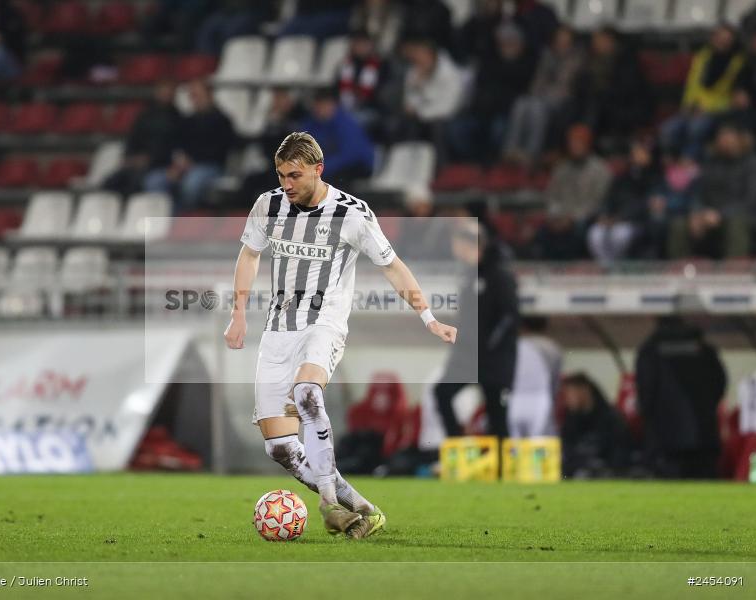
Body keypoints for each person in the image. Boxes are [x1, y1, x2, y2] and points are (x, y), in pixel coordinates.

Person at [225, 132, 457, 537]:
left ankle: (330, 504)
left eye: (294, 175)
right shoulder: (269, 205)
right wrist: (238, 313)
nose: (286, 184)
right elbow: (249, 254)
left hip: (324, 323)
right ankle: (363, 507)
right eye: (280, 175)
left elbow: (392, 266)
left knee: (308, 394)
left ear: (318, 169)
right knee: (279, 447)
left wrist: (428, 317)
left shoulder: (352, 214)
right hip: (278, 330)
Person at [434, 221, 518, 439]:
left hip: (494, 361)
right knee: (442, 393)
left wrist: (488, 346)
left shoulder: (499, 274)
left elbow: (509, 316)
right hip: (468, 357)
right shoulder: (468, 275)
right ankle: (458, 443)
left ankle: (500, 468)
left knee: (496, 415)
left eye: (460, 244)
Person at [636, 316, 727, 479]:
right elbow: (719, 383)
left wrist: (648, 417)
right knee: (704, 483)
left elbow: (646, 389)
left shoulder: (650, 351)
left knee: (668, 487)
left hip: (665, 434)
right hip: (703, 432)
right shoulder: (704, 349)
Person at [667, 122, 756, 259]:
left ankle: (735, 273)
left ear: (740, 138)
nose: (724, 139)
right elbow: (698, 192)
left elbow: (752, 200)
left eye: (728, 135)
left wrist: (720, 214)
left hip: (742, 217)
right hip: (709, 217)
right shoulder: (711, 163)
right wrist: (697, 213)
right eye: (721, 135)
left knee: (735, 224)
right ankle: (676, 273)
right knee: (679, 225)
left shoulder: (753, 164)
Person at [447, 21, 536, 163]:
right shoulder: (489, 61)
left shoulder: (527, 63)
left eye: (510, 41)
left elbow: (520, 94)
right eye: (503, 42)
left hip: (506, 112)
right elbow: (478, 89)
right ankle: (468, 162)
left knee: (498, 130)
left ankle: (493, 164)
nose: (506, 45)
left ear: (520, 43)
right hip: (480, 111)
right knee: (456, 129)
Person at [145, 78, 236, 210]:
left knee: (191, 184)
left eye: (198, 95)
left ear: (209, 95)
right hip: (185, 167)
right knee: (154, 181)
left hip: (210, 166)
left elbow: (220, 150)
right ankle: (168, 216)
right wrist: (178, 163)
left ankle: (184, 218)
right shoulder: (187, 121)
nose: (195, 99)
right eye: (192, 96)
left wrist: (191, 163)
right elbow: (177, 145)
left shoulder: (222, 120)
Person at [504, 24, 584, 167]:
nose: (561, 43)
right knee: (521, 103)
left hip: (563, 100)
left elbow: (564, 84)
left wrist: (542, 95)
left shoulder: (575, 58)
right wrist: (536, 94)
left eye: (565, 40)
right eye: (559, 39)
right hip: (541, 96)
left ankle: (530, 153)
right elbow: (538, 80)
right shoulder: (547, 55)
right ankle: (511, 150)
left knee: (537, 108)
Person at [660, 25, 745, 160]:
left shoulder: (738, 63)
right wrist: (688, 105)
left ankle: (688, 163)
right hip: (694, 107)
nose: (721, 41)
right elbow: (692, 84)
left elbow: (733, 97)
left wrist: (707, 109)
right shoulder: (703, 56)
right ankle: (670, 163)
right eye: (719, 37)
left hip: (718, 112)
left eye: (726, 39)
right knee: (668, 129)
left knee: (696, 128)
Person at [535, 124, 612, 260]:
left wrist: (572, 218)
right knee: (542, 232)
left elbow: (598, 202)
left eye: (579, 143)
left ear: (588, 144)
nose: (575, 146)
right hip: (561, 218)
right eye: (572, 143)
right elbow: (552, 198)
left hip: (585, 219)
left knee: (579, 230)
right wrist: (557, 217)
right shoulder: (561, 169)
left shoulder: (600, 170)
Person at [587, 136, 666, 265]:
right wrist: (604, 216)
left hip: (635, 222)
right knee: (595, 233)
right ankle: (607, 268)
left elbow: (646, 204)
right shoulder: (623, 177)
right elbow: (609, 200)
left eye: (641, 152)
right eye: (635, 152)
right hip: (614, 221)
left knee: (620, 234)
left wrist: (620, 218)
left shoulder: (655, 176)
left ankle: (617, 267)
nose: (638, 155)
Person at [102, 79, 184, 198]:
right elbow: (133, 139)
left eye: (169, 92)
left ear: (174, 94)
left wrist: (149, 159)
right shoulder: (145, 116)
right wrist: (130, 157)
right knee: (111, 182)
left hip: (159, 165)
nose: (165, 94)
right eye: (163, 91)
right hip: (136, 162)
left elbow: (172, 148)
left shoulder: (178, 119)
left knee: (136, 184)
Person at [573, 27, 653, 145]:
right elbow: (581, 84)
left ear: (609, 40)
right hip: (599, 103)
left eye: (599, 40)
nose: (595, 44)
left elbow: (627, 90)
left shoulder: (625, 60)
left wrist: (602, 93)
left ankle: (584, 144)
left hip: (625, 106)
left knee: (595, 107)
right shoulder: (592, 61)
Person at [299, 87, 375, 188]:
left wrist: (323, 168)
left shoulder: (345, 123)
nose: (319, 108)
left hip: (357, 165)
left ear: (332, 105)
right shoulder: (313, 123)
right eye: (318, 105)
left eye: (324, 104)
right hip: (329, 164)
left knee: (332, 179)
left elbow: (350, 155)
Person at [560, 372, 632, 478]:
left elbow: (620, 451)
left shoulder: (610, 418)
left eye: (570, 393)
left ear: (584, 390)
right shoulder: (570, 419)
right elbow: (567, 449)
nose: (567, 399)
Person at [507, 317, 561, 438]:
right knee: (540, 444)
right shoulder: (552, 348)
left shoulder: (515, 345)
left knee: (515, 446)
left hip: (515, 401)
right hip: (540, 401)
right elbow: (555, 382)